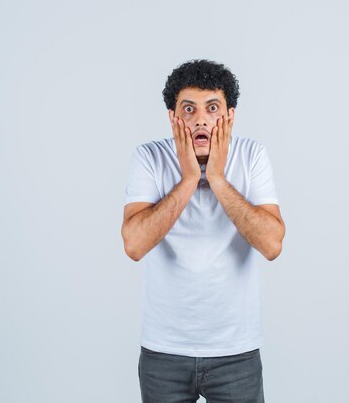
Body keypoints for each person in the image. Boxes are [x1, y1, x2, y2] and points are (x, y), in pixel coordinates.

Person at [121, 59, 286, 403]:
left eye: (212, 108)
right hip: (163, 352)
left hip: (236, 352)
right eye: (189, 109)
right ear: (173, 117)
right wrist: (188, 180)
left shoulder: (251, 155)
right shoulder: (149, 157)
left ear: (229, 116)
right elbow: (134, 245)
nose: (200, 119)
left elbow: (272, 245)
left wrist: (218, 179)